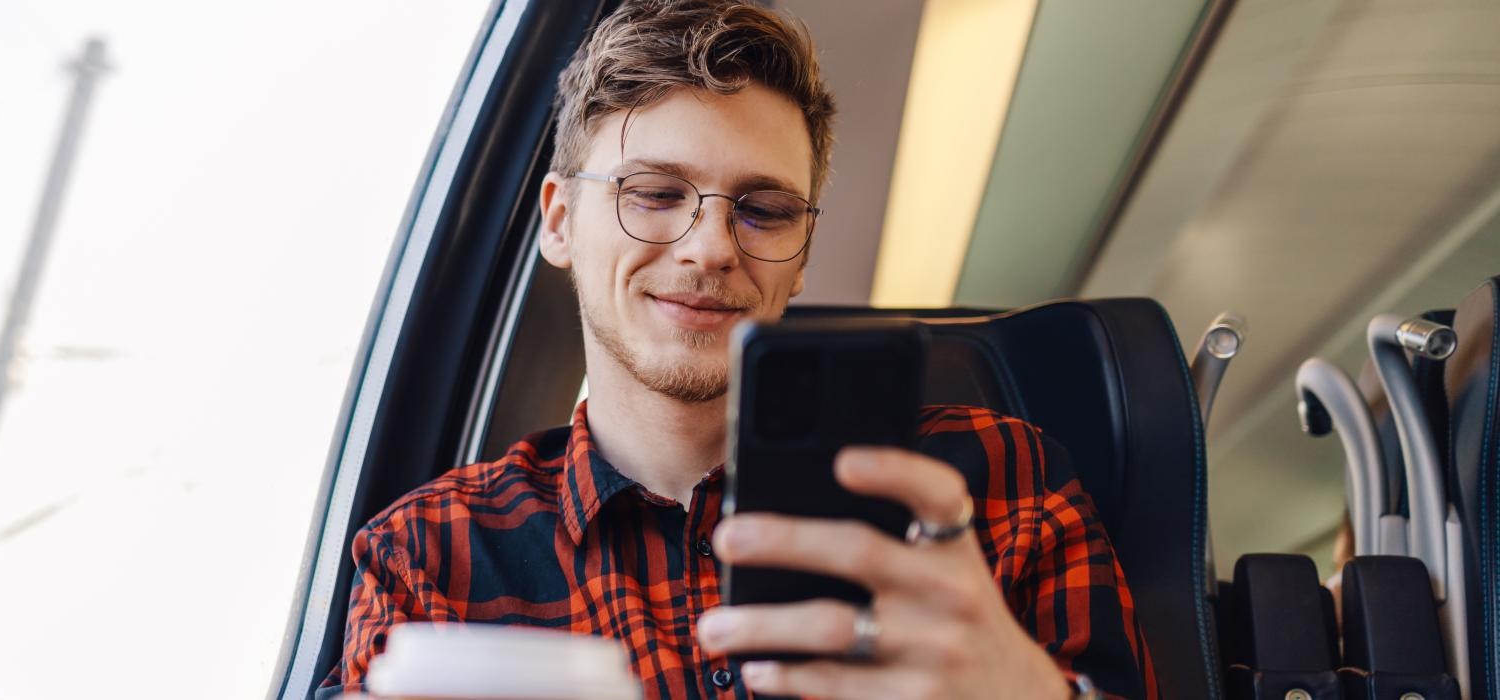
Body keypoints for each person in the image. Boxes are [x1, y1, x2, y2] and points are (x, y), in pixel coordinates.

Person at [318, 1, 1154, 697]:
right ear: (560, 221)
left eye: (765, 210)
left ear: (803, 253)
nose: (711, 247)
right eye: (653, 193)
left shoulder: (1002, 488)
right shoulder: (428, 555)